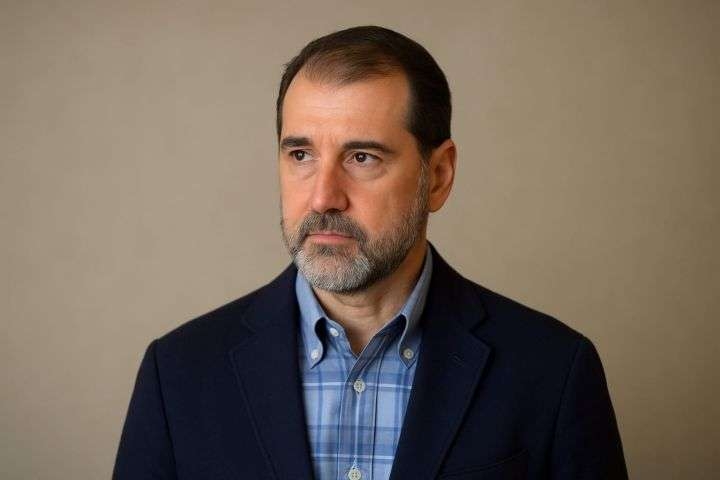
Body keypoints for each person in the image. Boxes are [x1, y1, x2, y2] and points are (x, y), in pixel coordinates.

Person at [113, 26, 628, 480]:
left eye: (362, 157)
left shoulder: (553, 370)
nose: (323, 197)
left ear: (438, 176)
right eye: (301, 155)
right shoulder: (177, 373)